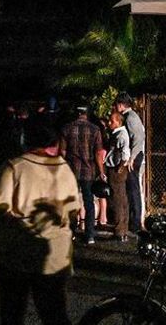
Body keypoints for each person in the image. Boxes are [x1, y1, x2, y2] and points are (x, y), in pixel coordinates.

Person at [0, 114, 80, 325]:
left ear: (25, 140)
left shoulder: (15, 167)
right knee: (56, 318)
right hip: (54, 256)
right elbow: (73, 210)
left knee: (13, 316)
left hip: (15, 254)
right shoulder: (64, 169)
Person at [60, 106, 105, 244]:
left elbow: (62, 151)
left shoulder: (66, 128)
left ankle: (71, 232)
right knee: (89, 202)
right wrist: (101, 171)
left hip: (71, 170)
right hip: (88, 170)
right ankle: (90, 234)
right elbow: (98, 153)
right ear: (87, 113)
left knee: (71, 202)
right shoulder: (95, 129)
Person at [113, 93, 145, 233]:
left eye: (116, 105)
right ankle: (133, 221)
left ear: (121, 105)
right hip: (134, 155)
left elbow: (138, 137)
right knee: (131, 189)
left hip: (135, 156)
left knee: (133, 189)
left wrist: (132, 157)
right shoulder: (130, 116)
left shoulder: (131, 117)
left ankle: (136, 222)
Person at [104, 110, 131, 242]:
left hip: (116, 169)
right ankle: (122, 228)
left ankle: (119, 230)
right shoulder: (116, 134)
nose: (110, 123)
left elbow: (125, 153)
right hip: (116, 168)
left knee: (117, 200)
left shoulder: (120, 135)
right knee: (121, 197)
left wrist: (120, 166)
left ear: (119, 122)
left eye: (112, 121)